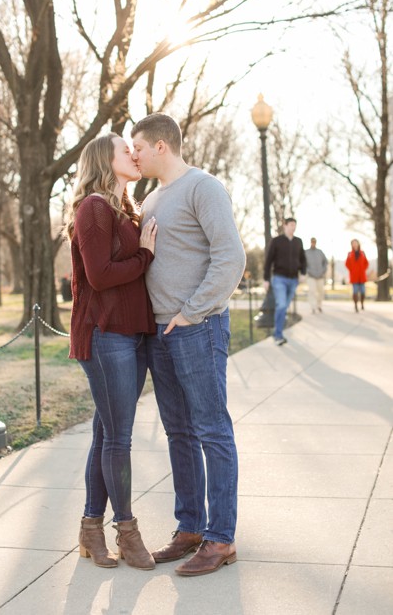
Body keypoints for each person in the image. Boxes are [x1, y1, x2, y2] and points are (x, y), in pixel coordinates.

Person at [131, 113, 247, 577]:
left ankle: (221, 539)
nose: (133, 154)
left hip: (196, 327)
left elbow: (230, 257)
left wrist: (190, 312)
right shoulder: (150, 198)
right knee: (178, 433)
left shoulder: (204, 187)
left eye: (137, 146)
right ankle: (190, 529)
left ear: (161, 145)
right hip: (160, 333)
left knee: (212, 431)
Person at [67, 134, 158, 571]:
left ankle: (90, 529)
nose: (134, 154)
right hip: (105, 336)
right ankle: (127, 531)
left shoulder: (125, 208)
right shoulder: (94, 208)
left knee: (106, 435)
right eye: (127, 150)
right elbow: (99, 276)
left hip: (132, 334)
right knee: (118, 438)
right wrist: (145, 255)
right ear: (107, 159)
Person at [263, 218, 306, 345]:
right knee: (281, 305)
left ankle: (279, 331)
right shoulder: (277, 241)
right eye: (291, 225)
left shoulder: (298, 241)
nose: (293, 227)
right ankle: (278, 335)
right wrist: (266, 279)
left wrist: (303, 273)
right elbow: (268, 260)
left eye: (295, 225)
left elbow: (303, 259)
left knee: (284, 307)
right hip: (279, 279)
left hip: (293, 280)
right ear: (285, 226)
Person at [304, 237, 328, 314]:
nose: (313, 243)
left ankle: (319, 305)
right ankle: (313, 307)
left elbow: (325, 262)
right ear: (310, 242)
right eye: (312, 242)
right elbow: (304, 264)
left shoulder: (320, 252)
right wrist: (308, 271)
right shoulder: (306, 252)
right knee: (312, 291)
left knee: (321, 292)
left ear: (316, 242)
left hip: (320, 276)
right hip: (311, 276)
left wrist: (323, 271)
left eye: (314, 242)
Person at [345, 239, 369, 312]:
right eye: (353, 243)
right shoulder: (350, 254)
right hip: (354, 276)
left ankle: (362, 303)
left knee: (363, 291)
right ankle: (355, 305)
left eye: (356, 243)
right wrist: (352, 270)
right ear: (351, 245)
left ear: (358, 244)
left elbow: (366, 263)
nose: (355, 245)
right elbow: (347, 264)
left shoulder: (362, 253)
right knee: (355, 291)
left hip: (362, 275)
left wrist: (363, 269)